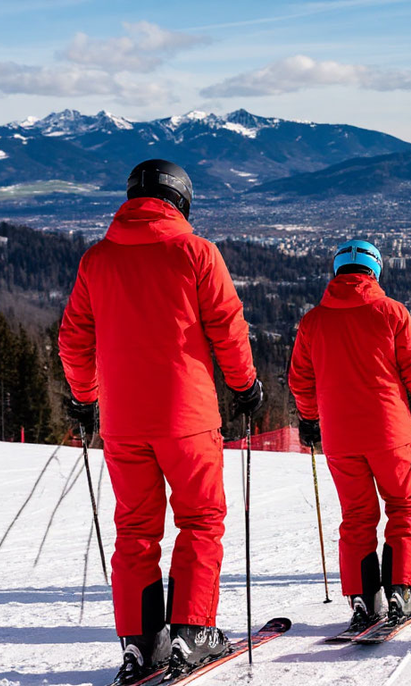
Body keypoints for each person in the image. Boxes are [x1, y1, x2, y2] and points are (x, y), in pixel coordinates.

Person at [60, 159, 264, 684]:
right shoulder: (195, 252)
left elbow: (74, 339)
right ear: (182, 200)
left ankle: (139, 642)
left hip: (123, 423)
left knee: (134, 531)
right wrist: (245, 387)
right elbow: (227, 328)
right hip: (187, 417)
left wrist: (86, 398)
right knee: (200, 520)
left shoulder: (97, 260)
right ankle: (192, 631)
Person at [288, 239, 411, 632]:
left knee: (357, 517)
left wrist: (310, 420)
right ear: (375, 270)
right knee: (404, 507)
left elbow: (301, 379)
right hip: (389, 431)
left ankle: (363, 601)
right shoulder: (392, 312)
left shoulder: (313, 321)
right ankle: (401, 590)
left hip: (339, 437)